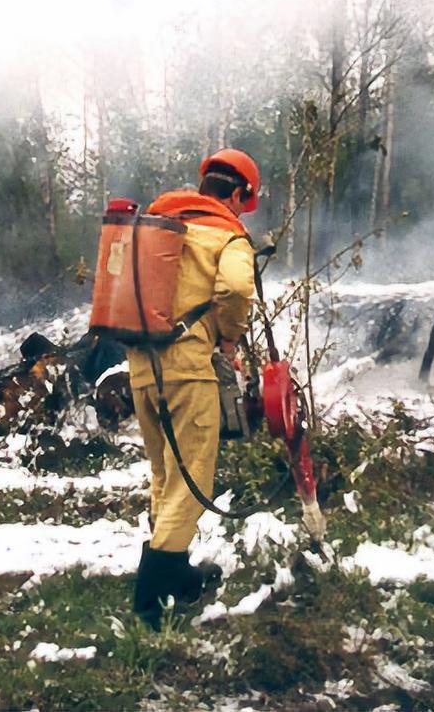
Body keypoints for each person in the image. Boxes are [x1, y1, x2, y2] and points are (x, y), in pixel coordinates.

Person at [128, 148, 258, 629]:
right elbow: (237, 290)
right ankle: (151, 599)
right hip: (188, 368)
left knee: (165, 475)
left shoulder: (157, 222)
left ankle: (177, 576)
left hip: (142, 368)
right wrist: (228, 337)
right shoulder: (228, 232)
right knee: (194, 478)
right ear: (241, 194)